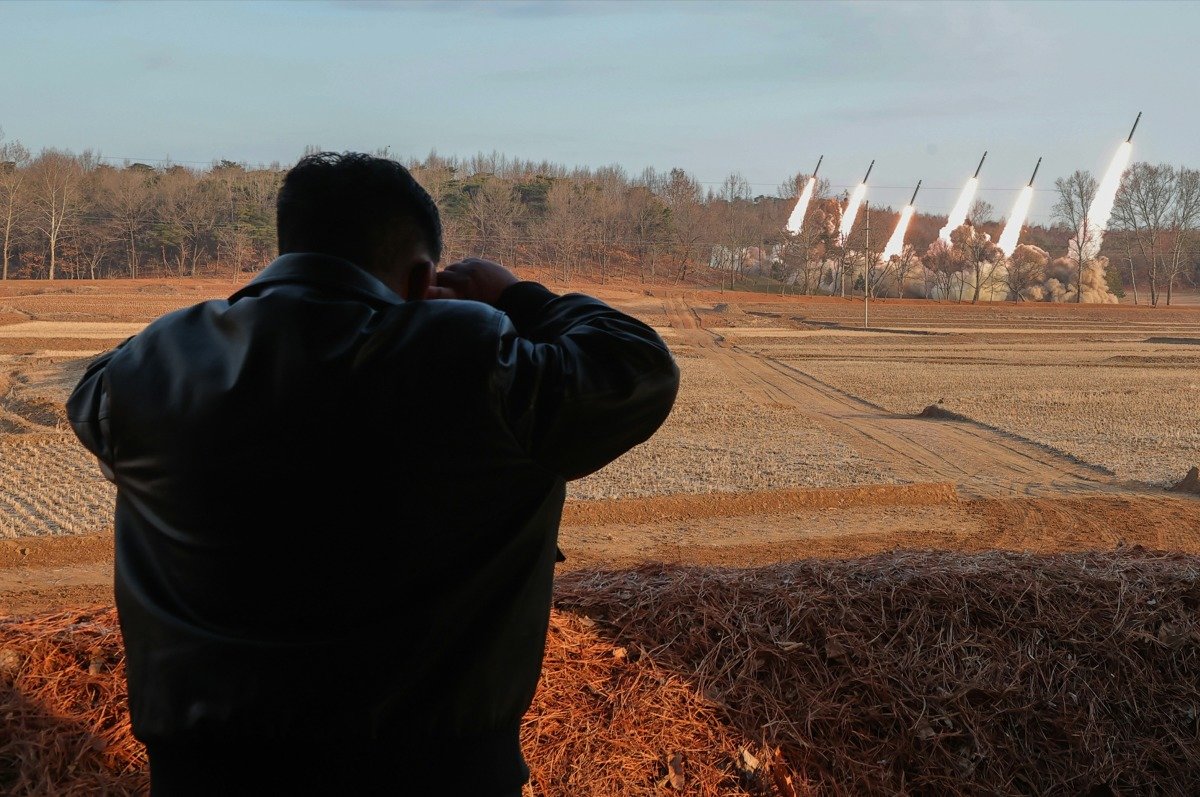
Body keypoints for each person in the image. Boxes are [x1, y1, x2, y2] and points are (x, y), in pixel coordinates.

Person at [67, 152, 679, 795]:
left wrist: (258, 307)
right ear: (422, 276)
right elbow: (636, 366)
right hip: (437, 773)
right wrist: (515, 296)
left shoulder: (145, 369)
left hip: (202, 774)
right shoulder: (472, 365)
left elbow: (101, 401)